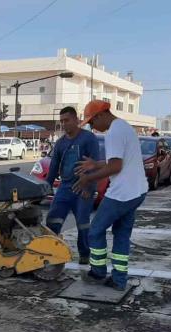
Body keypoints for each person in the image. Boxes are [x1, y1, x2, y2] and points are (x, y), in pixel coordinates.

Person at [73, 100, 148, 291]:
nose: (92, 127)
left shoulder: (114, 132)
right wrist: (95, 164)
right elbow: (114, 160)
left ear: (100, 115)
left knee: (95, 230)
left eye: (91, 122)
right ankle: (119, 279)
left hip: (122, 193)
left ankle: (98, 271)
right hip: (137, 191)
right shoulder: (124, 127)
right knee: (121, 234)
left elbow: (115, 166)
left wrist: (87, 179)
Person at [44, 106, 101, 264]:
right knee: (52, 220)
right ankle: (51, 252)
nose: (64, 124)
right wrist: (44, 188)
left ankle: (84, 254)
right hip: (65, 188)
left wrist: (90, 187)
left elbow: (95, 164)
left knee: (83, 223)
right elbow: (54, 167)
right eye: (61, 121)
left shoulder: (89, 139)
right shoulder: (61, 143)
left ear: (77, 120)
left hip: (83, 188)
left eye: (67, 120)